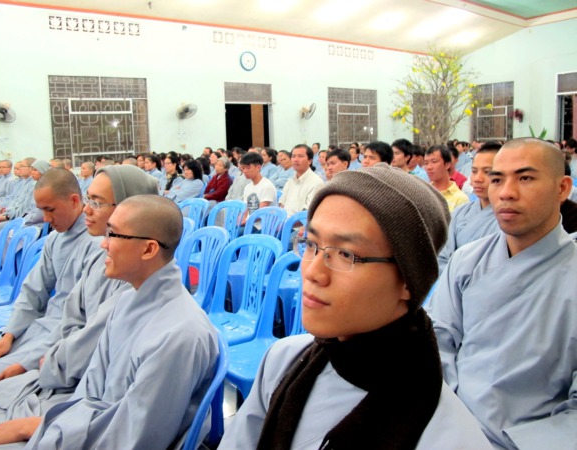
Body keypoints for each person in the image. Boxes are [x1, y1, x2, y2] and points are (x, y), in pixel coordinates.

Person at [220, 165, 492, 449]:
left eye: (346, 254)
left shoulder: (447, 436)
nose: (312, 272)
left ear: (409, 280)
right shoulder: (283, 362)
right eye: (311, 244)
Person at [0, 196, 219, 449]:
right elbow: (89, 390)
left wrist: (41, 429)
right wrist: (56, 425)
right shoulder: (125, 301)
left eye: (113, 234)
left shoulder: (180, 335)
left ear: (148, 249)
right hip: (84, 427)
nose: (103, 244)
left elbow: (135, 438)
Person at [427, 138, 577, 449]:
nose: (506, 192)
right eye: (497, 180)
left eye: (525, 178)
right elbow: (437, 342)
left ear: (562, 188)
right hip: (448, 428)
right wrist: (453, 423)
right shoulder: (467, 261)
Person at [0, 169, 100, 388]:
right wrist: (9, 334)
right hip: (37, 329)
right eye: (41, 210)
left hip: (59, 339)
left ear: (74, 201)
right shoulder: (55, 240)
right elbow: (33, 291)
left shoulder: (98, 245)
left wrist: (26, 363)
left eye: (50, 209)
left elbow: (82, 322)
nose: (45, 218)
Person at [437, 143, 501, 274]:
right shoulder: (460, 212)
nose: (477, 179)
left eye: (487, 172)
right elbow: (441, 257)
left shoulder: (508, 219)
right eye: (474, 171)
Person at [279, 144, 323, 218]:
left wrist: (288, 223)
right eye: (293, 156)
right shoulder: (290, 181)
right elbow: (282, 204)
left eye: (300, 156)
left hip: (300, 224)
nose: (295, 159)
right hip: (284, 222)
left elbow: (307, 214)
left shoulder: (316, 183)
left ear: (310, 161)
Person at [424, 145, 469, 212]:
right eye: (426, 163)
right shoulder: (423, 192)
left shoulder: (460, 199)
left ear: (447, 164)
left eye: (434, 162)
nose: (429, 167)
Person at [240, 152, 276, 226]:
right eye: (243, 168)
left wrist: (244, 223)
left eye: (248, 168)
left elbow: (260, 213)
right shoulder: (248, 187)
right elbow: (245, 210)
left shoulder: (267, 186)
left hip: (263, 226)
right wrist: (240, 221)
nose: (245, 171)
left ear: (258, 167)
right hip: (250, 223)